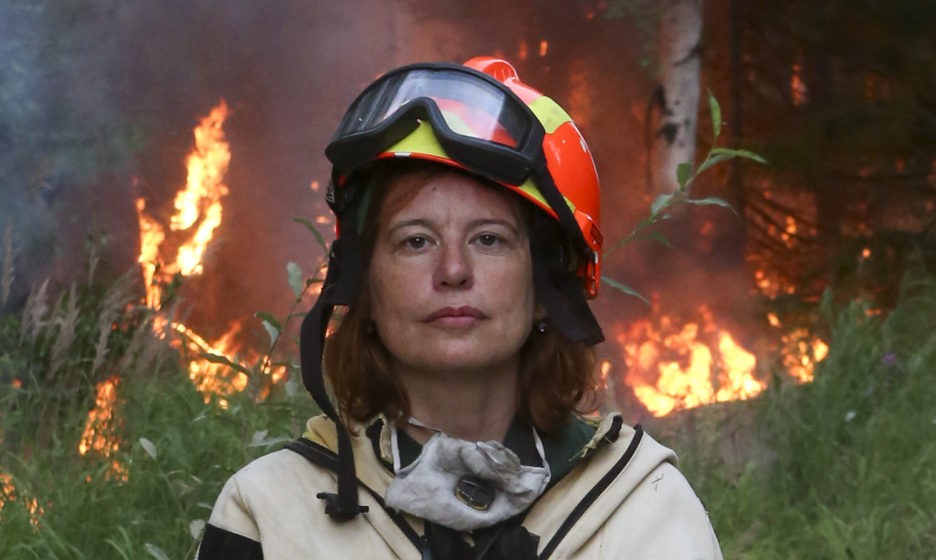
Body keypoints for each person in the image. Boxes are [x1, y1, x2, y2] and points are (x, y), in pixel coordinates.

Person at [197, 56, 722, 559]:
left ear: (547, 292)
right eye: (415, 241)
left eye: (489, 239)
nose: (453, 270)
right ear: (366, 289)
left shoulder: (644, 508)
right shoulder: (269, 514)